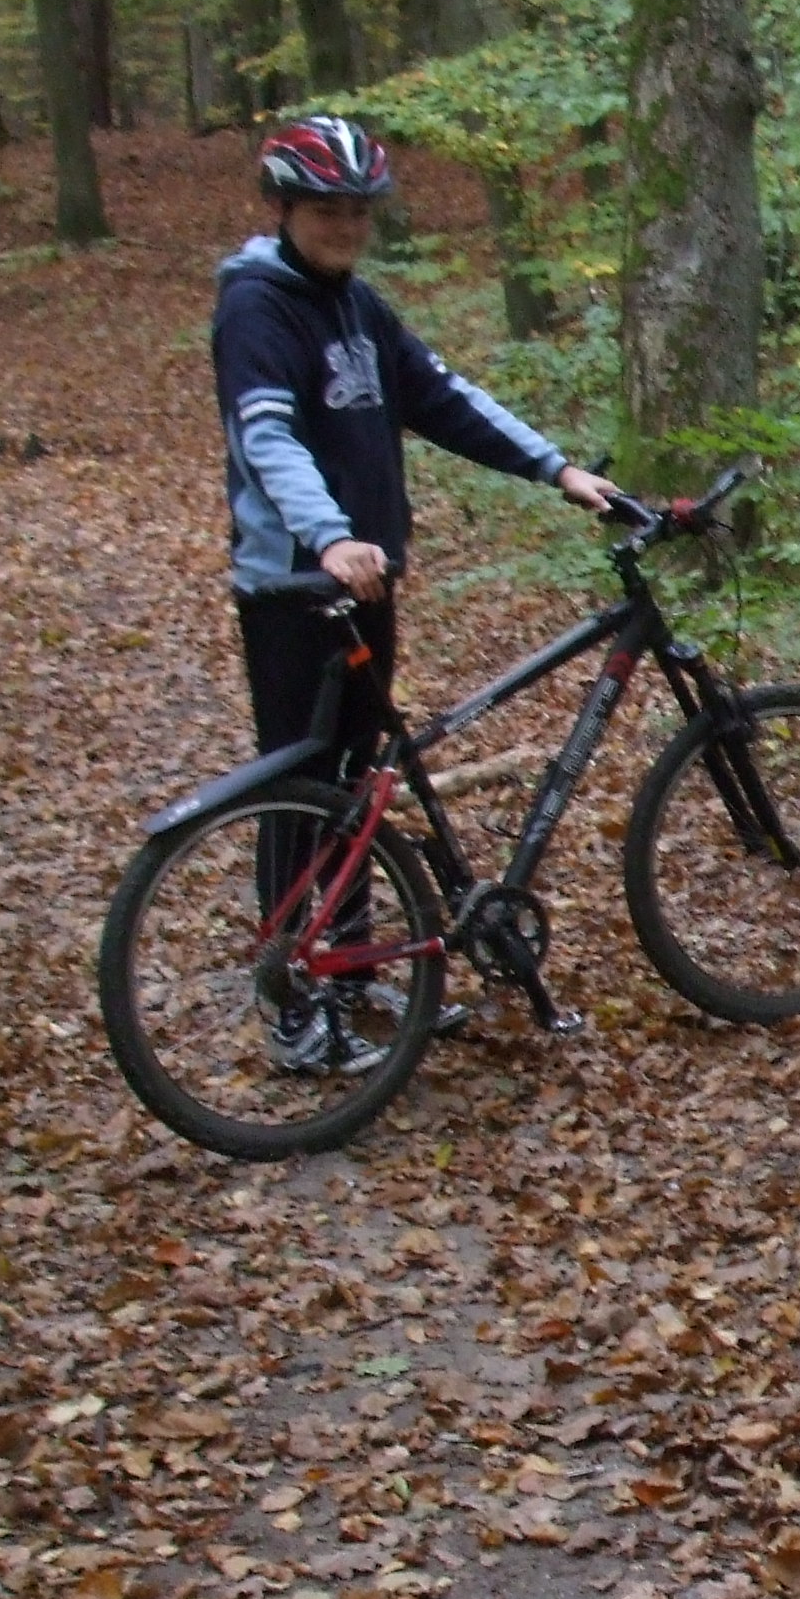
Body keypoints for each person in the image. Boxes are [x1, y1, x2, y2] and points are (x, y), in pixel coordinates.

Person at [216, 113, 615, 1074]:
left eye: (358, 210)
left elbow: (442, 396)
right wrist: (331, 535)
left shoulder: (359, 306)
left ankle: (348, 975)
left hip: (366, 583)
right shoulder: (257, 310)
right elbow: (265, 438)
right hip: (297, 588)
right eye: (325, 209)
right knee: (298, 790)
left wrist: (556, 470)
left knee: (354, 788)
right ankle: (290, 1003)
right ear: (283, 208)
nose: (344, 225)